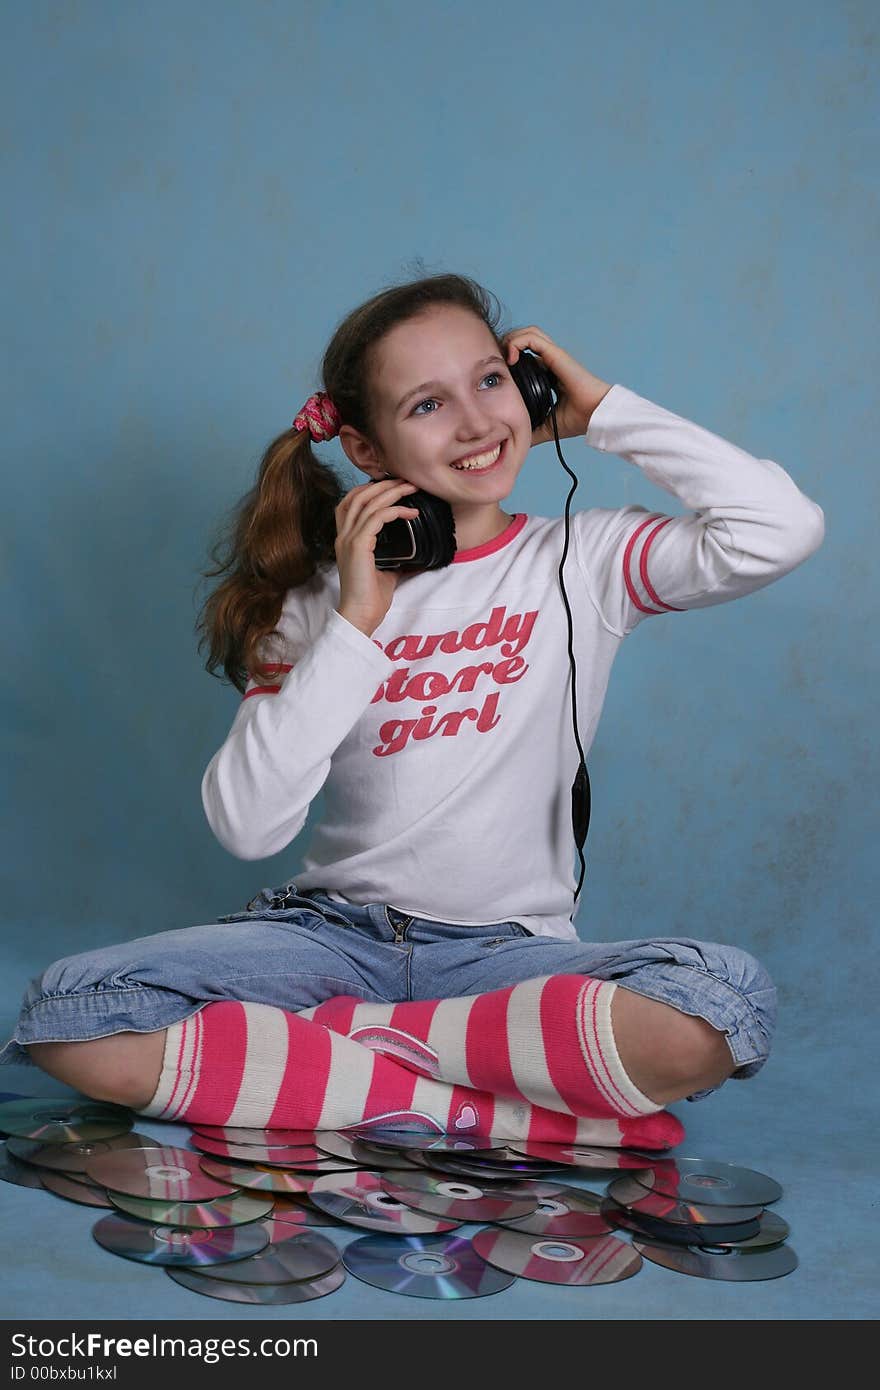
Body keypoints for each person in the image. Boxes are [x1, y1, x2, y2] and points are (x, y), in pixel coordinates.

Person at [1, 272, 824, 1149]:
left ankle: (342, 1056)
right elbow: (247, 825)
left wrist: (606, 412)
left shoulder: (582, 561)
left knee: (715, 1006)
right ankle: (475, 1110)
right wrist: (356, 621)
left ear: (531, 386)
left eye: (491, 380)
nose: (476, 423)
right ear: (364, 448)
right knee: (72, 1013)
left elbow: (779, 528)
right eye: (428, 404)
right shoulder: (320, 603)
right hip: (330, 943)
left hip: (507, 957)